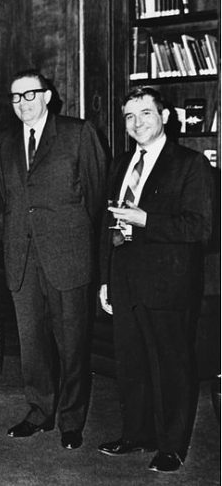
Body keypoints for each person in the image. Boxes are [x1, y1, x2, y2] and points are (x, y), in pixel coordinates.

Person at [97, 87, 212, 473]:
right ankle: (137, 435)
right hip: (125, 280)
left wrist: (147, 220)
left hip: (168, 285)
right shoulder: (120, 163)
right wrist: (105, 280)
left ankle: (171, 445)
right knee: (131, 364)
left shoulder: (190, 164)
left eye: (145, 113)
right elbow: (107, 227)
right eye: (129, 117)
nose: (137, 123)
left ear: (165, 117)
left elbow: (202, 228)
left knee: (171, 368)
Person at [0, 69, 106, 450]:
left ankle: (71, 420)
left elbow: (95, 199)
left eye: (30, 95)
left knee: (72, 345)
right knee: (31, 344)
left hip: (67, 259)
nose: (22, 103)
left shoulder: (77, 134)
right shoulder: (3, 143)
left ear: (48, 96)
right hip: (21, 259)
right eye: (15, 97)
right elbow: (4, 202)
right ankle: (39, 411)